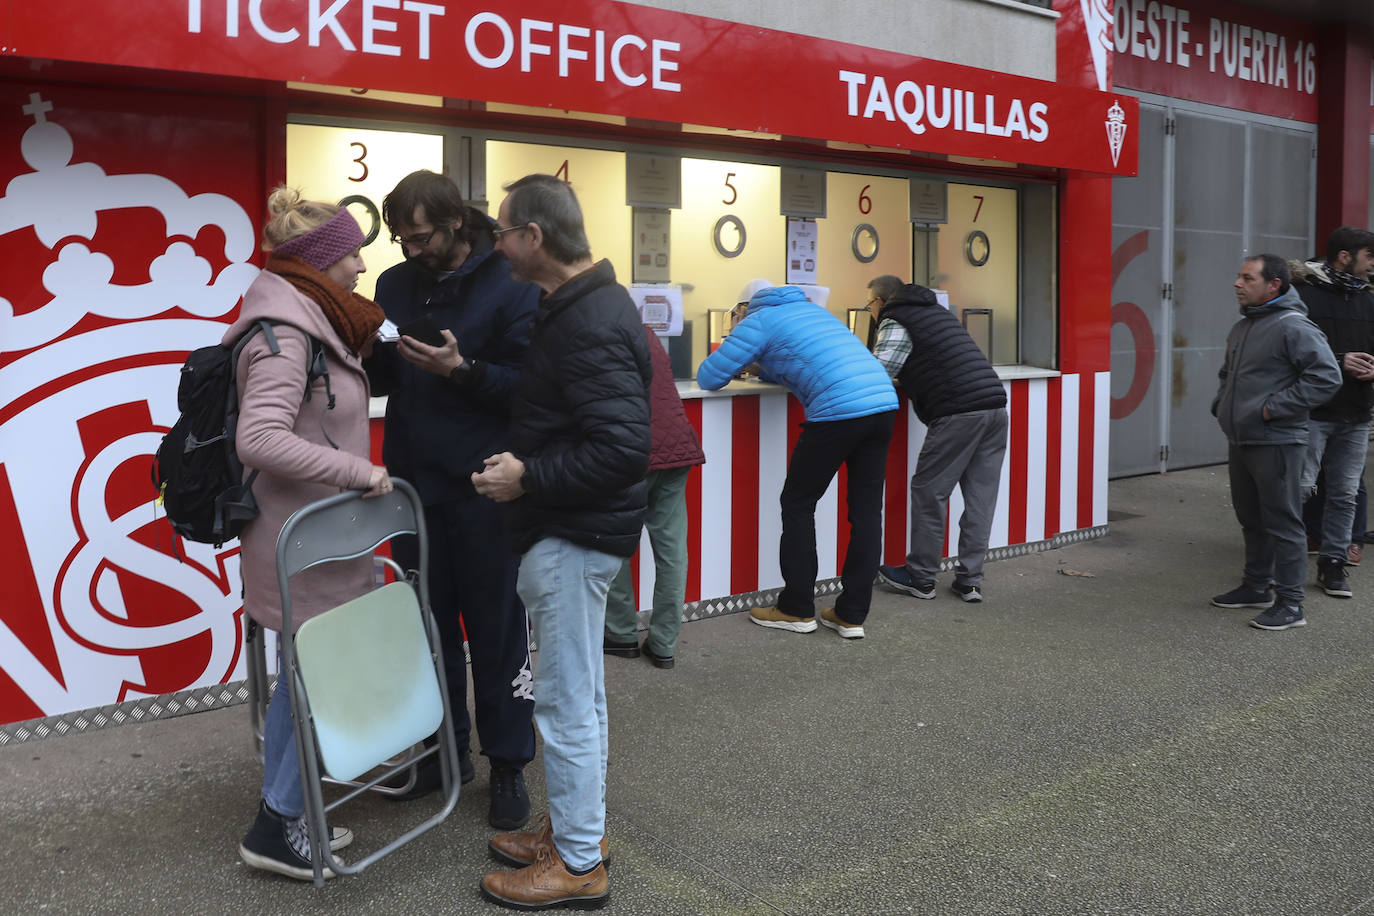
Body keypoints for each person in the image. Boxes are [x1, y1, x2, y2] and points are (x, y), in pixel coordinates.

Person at [472, 174, 651, 910]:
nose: (498, 245)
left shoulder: (587, 319)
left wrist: (526, 476)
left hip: (572, 535)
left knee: (565, 702)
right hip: (578, 532)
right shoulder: (578, 305)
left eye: (503, 232)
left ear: (533, 238)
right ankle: (580, 832)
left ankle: (578, 863)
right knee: (582, 698)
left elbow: (623, 449)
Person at [365, 170, 539, 830]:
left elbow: (529, 387)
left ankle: (508, 764)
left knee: (496, 630)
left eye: (422, 237)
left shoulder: (510, 280)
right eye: (402, 238)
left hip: (486, 484)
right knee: (427, 630)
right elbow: (386, 376)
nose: (411, 249)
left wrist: (461, 371)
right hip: (415, 478)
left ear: (455, 223)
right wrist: (363, 347)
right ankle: (444, 755)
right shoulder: (394, 282)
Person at [232, 187, 390, 880]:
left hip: (319, 538)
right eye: (352, 252)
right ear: (322, 261)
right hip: (299, 544)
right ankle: (277, 826)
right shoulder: (286, 331)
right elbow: (259, 437)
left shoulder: (310, 316)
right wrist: (356, 470)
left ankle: (292, 814)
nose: (361, 265)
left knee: (309, 679)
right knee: (310, 683)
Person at [698, 283, 898, 639]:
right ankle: (851, 615)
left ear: (745, 307)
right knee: (866, 512)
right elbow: (801, 361)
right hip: (882, 403)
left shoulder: (758, 321)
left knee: (798, 504)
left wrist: (743, 359)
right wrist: (763, 369)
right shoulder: (814, 313)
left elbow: (709, 376)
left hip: (838, 411)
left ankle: (796, 607)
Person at [1210, 254, 1341, 630]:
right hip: (1243, 438)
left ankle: (1291, 604)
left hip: (1278, 440)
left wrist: (1271, 409)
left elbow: (1325, 377)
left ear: (1274, 286)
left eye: (1247, 278)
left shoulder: (1293, 327)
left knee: (1282, 522)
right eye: (1238, 276)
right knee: (1250, 517)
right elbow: (1226, 374)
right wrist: (1222, 405)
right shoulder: (1242, 328)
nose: (1237, 283)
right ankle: (1256, 587)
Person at [867, 275, 1009, 603]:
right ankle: (970, 580)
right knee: (980, 498)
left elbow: (880, 370)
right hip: (995, 408)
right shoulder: (938, 313)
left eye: (869, 305)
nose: (870, 311)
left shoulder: (896, 317)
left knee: (930, 491)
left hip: (958, 412)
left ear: (881, 301)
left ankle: (921, 577)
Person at [603, 327, 705, 669]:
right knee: (672, 550)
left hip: (626, 453)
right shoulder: (644, 331)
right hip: (675, 448)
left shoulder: (582, 329)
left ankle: (620, 634)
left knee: (615, 543)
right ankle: (663, 644)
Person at [1289, 227, 1374, 599]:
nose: (1373, 266)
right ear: (1345, 257)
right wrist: (1339, 361)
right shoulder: (1303, 296)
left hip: (1356, 415)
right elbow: (1287, 354)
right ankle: (1284, 562)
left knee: (1344, 494)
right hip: (1313, 413)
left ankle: (1333, 565)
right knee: (1298, 490)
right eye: (1370, 257)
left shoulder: (1368, 300)